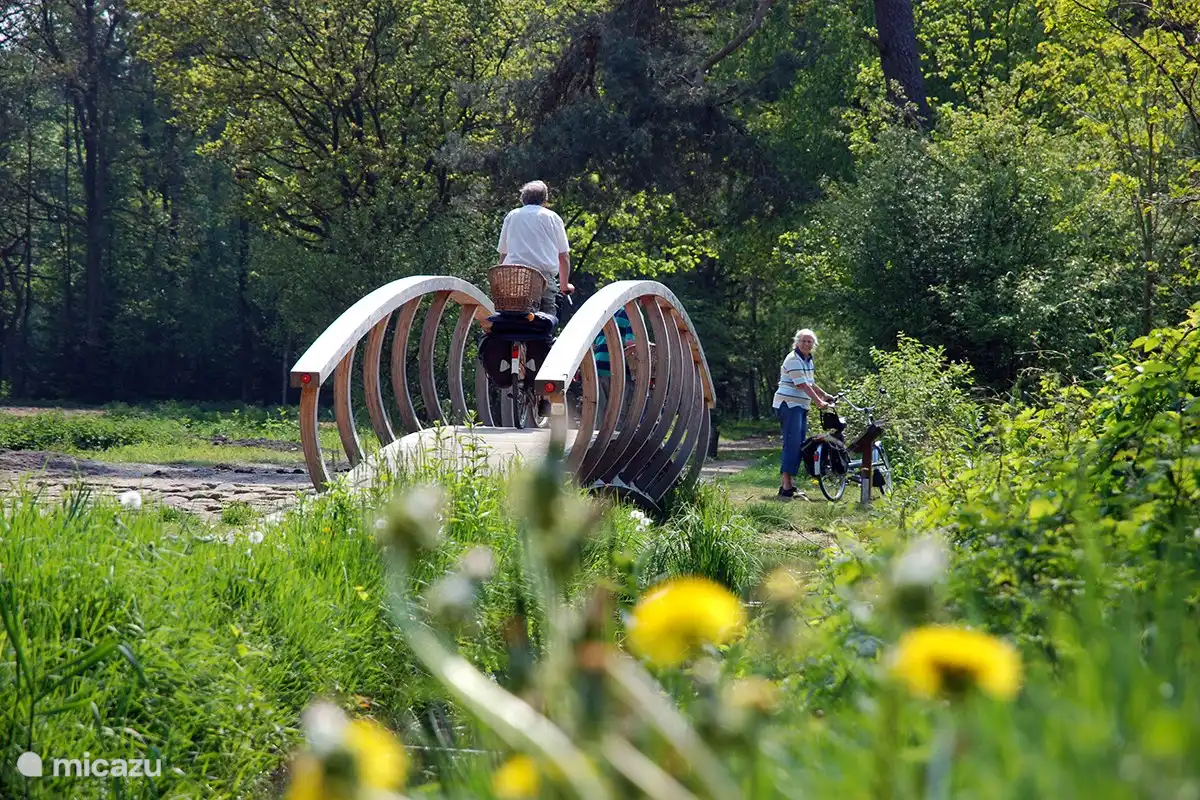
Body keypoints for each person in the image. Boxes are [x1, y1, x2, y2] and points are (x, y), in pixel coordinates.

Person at [496, 180, 574, 315]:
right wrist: (564, 285)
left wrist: (500, 283)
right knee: (546, 320)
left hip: (513, 279)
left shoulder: (512, 216)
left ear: (523, 198)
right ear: (545, 200)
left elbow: (503, 254)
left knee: (509, 319)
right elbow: (563, 256)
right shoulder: (553, 218)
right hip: (542, 280)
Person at [773, 328, 833, 499]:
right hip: (789, 405)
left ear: (813, 344)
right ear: (797, 342)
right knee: (792, 444)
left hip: (800, 406)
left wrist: (825, 395)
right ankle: (786, 487)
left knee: (799, 444)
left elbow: (810, 382)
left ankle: (788, 484)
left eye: (809, 341)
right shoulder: (793, 359)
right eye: (803, 341)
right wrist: (818, 402)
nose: (806, 344)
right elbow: (802, 385)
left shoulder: (807, 360)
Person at [593, 307, 636, 425]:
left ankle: (598, 436)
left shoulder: (608, 313)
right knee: (617, 416)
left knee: (600, 415)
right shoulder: (632, 313)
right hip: (616, 370)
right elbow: (631, 343)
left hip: (597, 367)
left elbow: (594, 344)